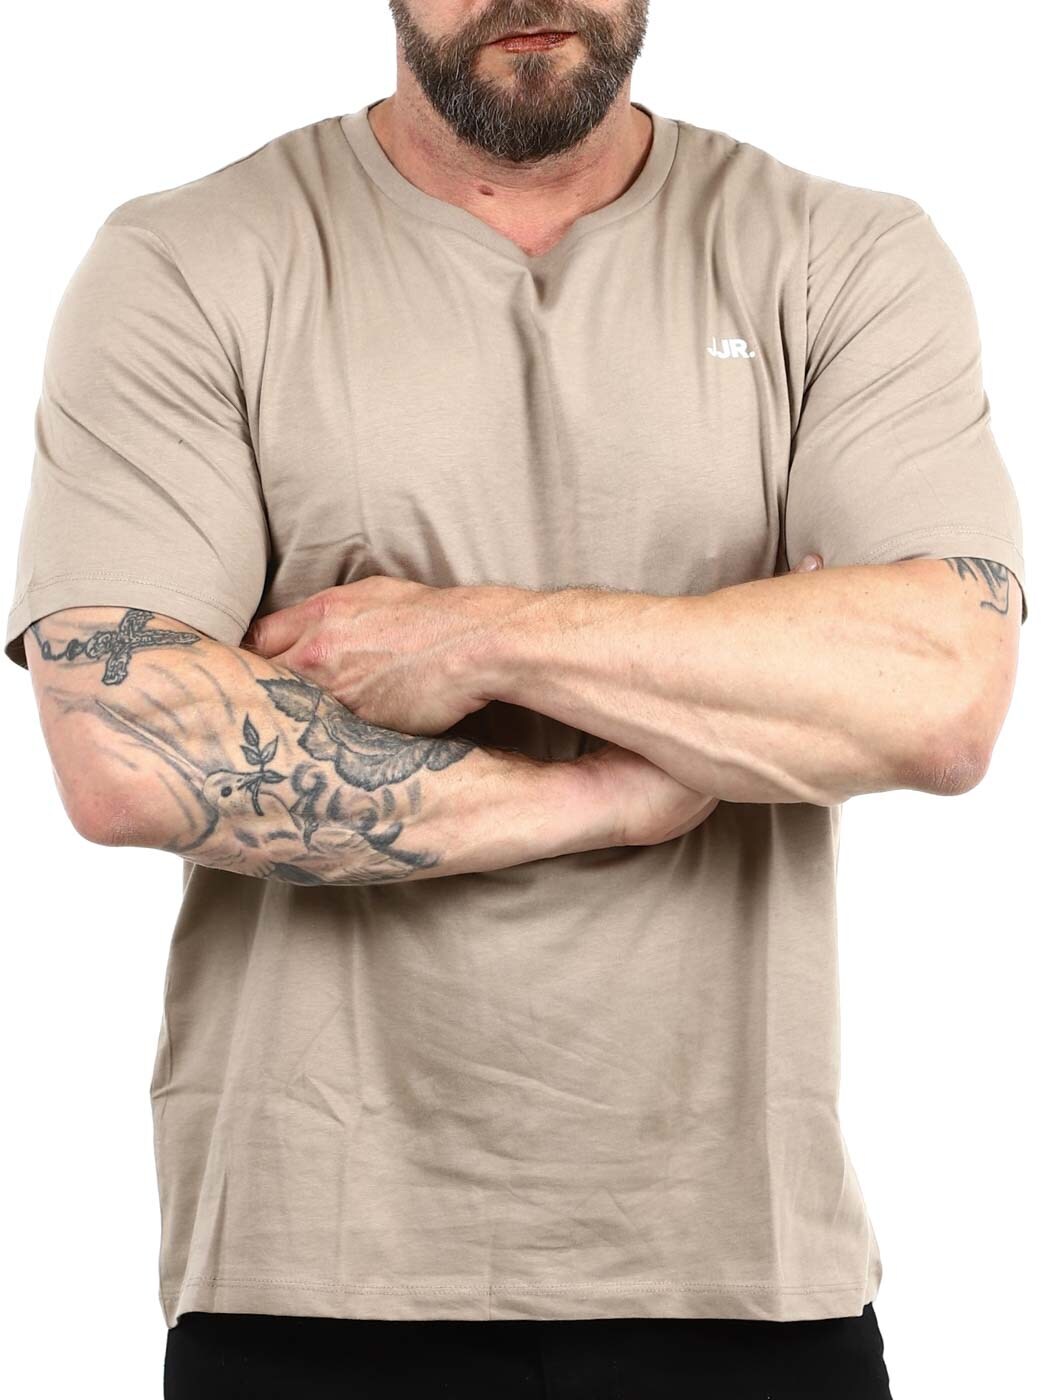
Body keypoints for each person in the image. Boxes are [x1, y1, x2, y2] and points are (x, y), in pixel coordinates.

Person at [4, 1, 1029, 1395]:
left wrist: (478, 640)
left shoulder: (836, 253)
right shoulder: (191, 260)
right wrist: (602, 796)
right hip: (315, 1268)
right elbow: (125, 744)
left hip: (742, 1265)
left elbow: (939, 691)